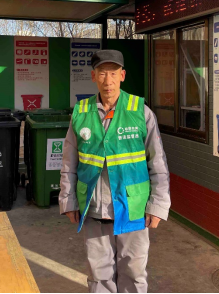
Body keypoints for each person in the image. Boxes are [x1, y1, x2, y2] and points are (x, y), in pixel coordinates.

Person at [59, 50, 171, 294]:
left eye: (113, 73)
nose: (107, 80)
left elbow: (158, 163)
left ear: (122, 75)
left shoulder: (140, 112)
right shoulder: (81, 112)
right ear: (93, 76)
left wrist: (158, 205)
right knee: (99, 277)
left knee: (134, 274)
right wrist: (68, 200)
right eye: (102, 73)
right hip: (94, 209)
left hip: (133, 210)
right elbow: (69, 162)